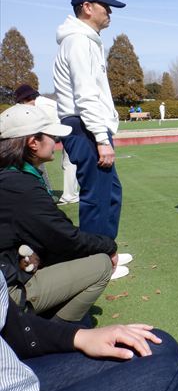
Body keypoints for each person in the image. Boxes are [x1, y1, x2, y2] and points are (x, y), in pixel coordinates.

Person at [0, 104, 130, 326]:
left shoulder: (11, 178)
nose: (56, 142)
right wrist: (109, 246)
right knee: (101, 264)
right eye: (51, 135)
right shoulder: (19, 186)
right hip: (8, 292)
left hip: (10, 269)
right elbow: (66, 238)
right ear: (33, 143)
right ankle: (51, 331)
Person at [0, 276, 178, 391]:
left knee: (157, 344)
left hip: (15, 377)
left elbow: (9, 320)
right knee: (174, 379)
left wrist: (80, 336)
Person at [52, 0, 127, 245]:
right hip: (84, 126)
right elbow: (85, 95)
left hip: (88, 126)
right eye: (105, 6)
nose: (110, 12)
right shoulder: (78, 42)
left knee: (110, 192)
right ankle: (96, 260)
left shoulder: (87, 42)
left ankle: (106, 252)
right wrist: (102, 139)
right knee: (97, 196)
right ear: (86, 7)